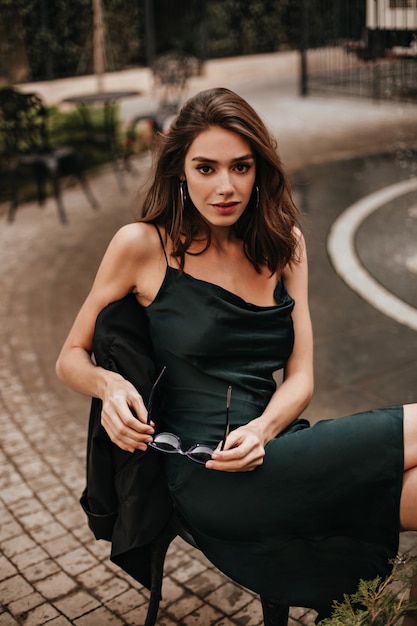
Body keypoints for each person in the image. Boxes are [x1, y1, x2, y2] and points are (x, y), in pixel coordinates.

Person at [56, 87, 417, 623]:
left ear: (259, 169)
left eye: (240, 167)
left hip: (276, 446)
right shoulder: (141, 246)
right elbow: (70, 357)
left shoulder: (283, 244)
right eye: (206, 168)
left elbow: (301, 378)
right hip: (204, 471)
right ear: (180, 170)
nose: (225, 187)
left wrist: (264, 430)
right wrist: (110, 387)